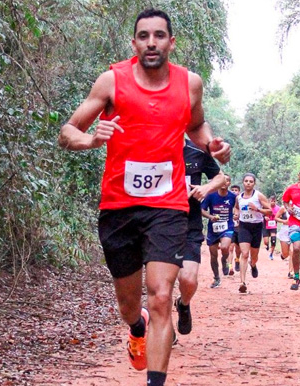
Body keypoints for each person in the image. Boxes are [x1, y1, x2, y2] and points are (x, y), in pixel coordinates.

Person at [58, 8, 230, 385]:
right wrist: (89, 139)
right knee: (130, 304)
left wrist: (212, 144)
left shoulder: (190, 84)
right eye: (144, 36)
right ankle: (137, 328)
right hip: (118, 206)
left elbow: (196, 125)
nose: (151, 43)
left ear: (171, 41)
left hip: (167, 206)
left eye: (159, 35)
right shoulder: (111, 82)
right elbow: (68, 130)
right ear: (133, 42)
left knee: (160, 295)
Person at [175, 139, 225, 338]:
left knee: (188, 279)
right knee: (161, 287)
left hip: (190, 225)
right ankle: (164, 330)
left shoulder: (196, 150)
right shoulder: (151, 147)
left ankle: (183, 304)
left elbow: (220, 178)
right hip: (158, 225)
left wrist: (206, 188)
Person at [232, 173, 271, 293]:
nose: (248, 183)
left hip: (256, 227)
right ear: (243, 182)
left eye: (251, 181)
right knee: (244, 254)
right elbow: (236, 207)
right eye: (246, 181)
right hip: (244, 227)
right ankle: (242, 283)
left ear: (254, 183)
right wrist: (236, 214)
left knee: (254, 257)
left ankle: (253, 265)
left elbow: (269, 211)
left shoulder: (258, 196)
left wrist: (257, 209)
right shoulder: (239, 197)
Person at [201, 174, 236, 287]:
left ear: (229, 183)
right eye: (223, 180)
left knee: (225, 247)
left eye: (227, 181)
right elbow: (202, 209)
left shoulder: (233, 196)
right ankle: (216, 277)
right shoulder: (211, 195)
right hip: (213, 228)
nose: (224, 183)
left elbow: (238, 209)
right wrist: (211, 217)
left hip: (227, 226)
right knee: (213, 254)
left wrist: (237, 214)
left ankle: (224, 260)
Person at [275, 204, 294, 278]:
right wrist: (284, 221)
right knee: (286, 254)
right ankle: (283, 255)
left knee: (292, 251)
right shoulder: (283, 208)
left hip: (294, 230)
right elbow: (276, 218)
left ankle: (291, 272)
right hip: (285, 231)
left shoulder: (298, 206)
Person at [228, 184, 242, 274]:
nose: (234, 191)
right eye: (232, 190)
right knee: (230, 248)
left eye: (236, 190)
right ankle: (230, 267)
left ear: (239, 192)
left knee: (238, 248)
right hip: (230, 227)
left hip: (240, 228)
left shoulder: (242, 201)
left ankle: (237, 259)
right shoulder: (227, 201)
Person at [262, 195, 280, 260]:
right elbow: (260, 215)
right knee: (266, 241)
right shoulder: (265, 207)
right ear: (269, 201)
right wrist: (264, 217)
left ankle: (271, 254)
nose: (272, 202)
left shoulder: (278, 208)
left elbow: (281, 216)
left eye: (274, 201)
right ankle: (267, 245)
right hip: (265, 226)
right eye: (271, 201)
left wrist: (277, 218)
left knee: (273, 240)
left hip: (273, 226)